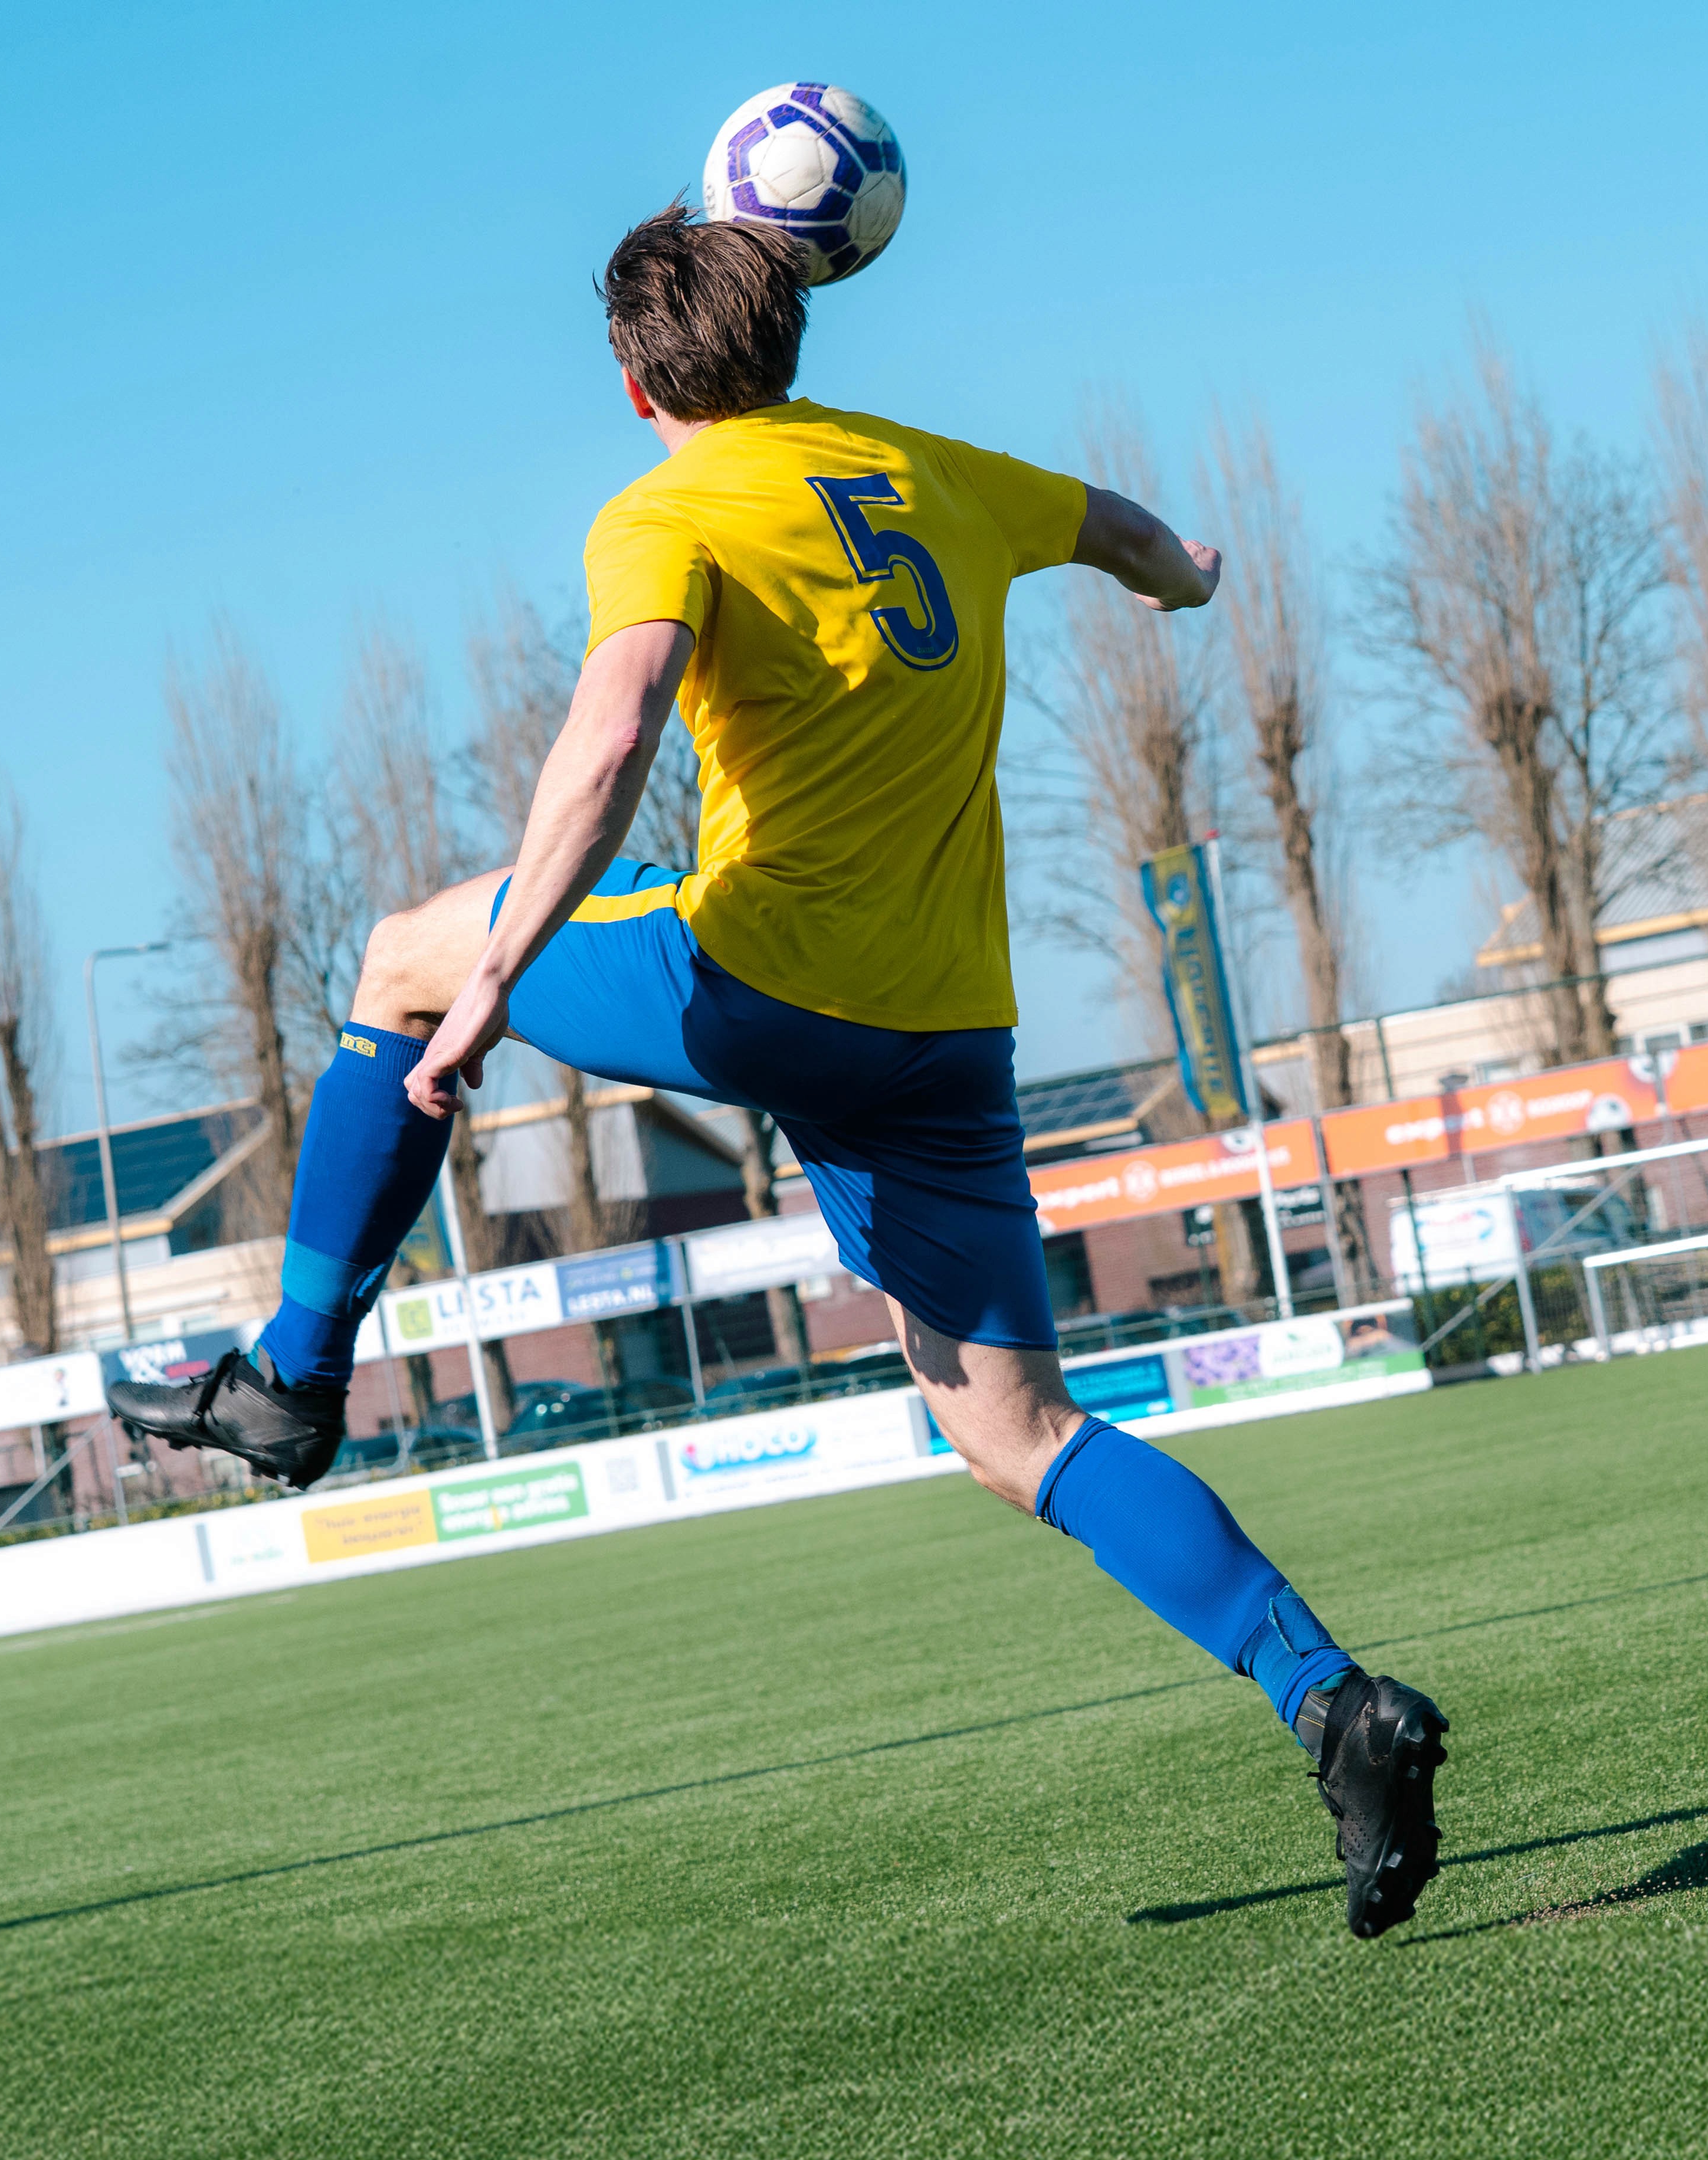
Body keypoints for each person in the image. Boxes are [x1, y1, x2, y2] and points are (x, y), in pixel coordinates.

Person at [107, 207, 1447, 1939]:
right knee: (1014, 1427)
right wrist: (1179, 574)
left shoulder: (665, 507)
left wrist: (494, 981)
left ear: (632, 374)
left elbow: (612, 731)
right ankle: (1333, 1702)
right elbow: (1122, 527)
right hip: (947, 1032)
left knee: (400, 953)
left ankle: (288, 1377)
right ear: (797, 326)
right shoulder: (930, 469)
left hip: (755, 980)